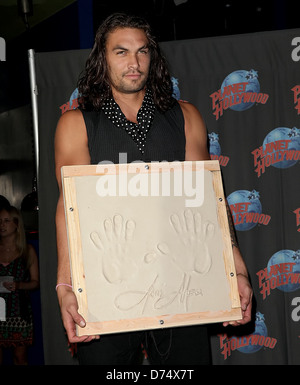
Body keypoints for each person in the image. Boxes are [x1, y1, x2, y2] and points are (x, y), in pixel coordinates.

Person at [54, 12, 253, 365]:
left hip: (182, 282)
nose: (134, 62)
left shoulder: (186, 116)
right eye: (121, 52)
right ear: (102, 57)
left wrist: (235, 271)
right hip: (104, 284)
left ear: (153, 57)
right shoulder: (76, 124)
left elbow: (206, 199)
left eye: (142, 52)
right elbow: (68, 210)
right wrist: (66, 286)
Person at [0, 206, 39, 365]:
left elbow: (36, 282)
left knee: (20, 357)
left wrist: (18, 285)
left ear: (16, 224)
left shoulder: (27, 250)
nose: (1, 225)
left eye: (6, 221)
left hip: (19, 310)